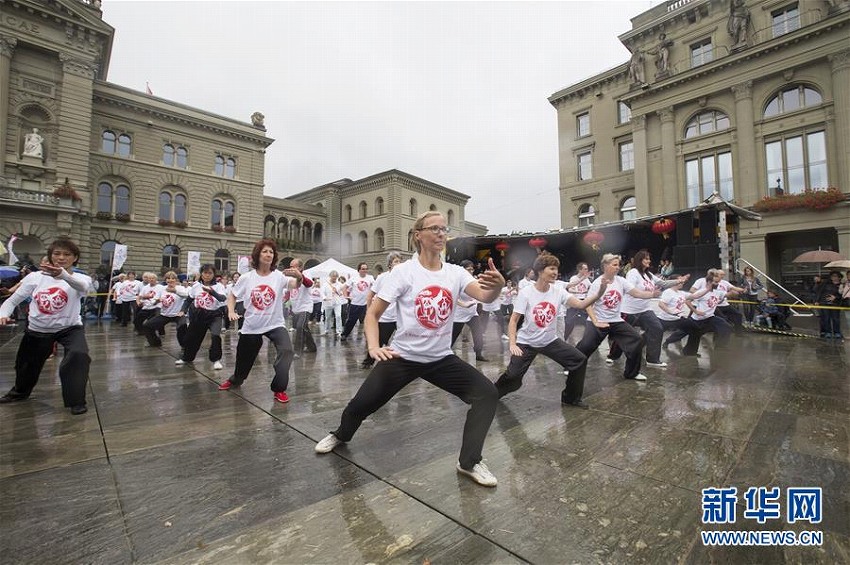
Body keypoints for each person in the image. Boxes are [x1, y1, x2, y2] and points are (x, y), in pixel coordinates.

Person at [315, 211, 506, 487]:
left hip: (440, 358)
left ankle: (469, 462)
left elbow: (484, 295)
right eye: (434, 228)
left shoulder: (456, 273)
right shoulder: (403, 273)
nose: (441, 233)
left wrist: (497, 288)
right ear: (418, 235)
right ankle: (341, 435)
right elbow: (372, 314)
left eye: (444, 229)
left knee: (487, 394)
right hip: (402, 356)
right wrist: (373, 346)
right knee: (361, 405)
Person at [495, 252, 607, 407]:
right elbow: (513, 320)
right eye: (551, 269)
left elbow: (581, 305)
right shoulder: (526, 293)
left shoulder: (558, 291)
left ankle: (570, 398)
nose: (555, 272)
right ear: (540, 271)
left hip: (549, 341)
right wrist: (513, 344)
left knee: (579, 361)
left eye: (556, 269)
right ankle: (493, 394)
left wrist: (599, 293)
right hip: (526, 342)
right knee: (513, 378)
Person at [0, 237, 92, 415]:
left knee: (79, 355)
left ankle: (76, 401)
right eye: (57, 253)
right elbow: (12, 301)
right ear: (50, 256)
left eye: (67, 254)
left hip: (70, 329)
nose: (61, 258)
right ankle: (19, 392)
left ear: (75, 258)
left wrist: (62, 275)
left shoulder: (81, 278)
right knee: (26, 365)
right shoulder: (35, 278)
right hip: (38, 330)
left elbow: (82, 287)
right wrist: (3, 314)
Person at [219, 239, 307, 403]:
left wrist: (299, 277)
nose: (268, 254)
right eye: (265, 251)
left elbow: (295, 284)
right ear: (257, 254)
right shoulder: (247, 278)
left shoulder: (279, 276)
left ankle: (279, 388)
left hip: (275, 324)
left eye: (271, 252)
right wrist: (230, 311)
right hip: (252, 325)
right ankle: (236, 380)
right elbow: (232, 295)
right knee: (244, 359)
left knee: (287, 351)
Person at [576, 254, 661, 382]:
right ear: (605, 266)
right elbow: (588, 305)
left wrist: (651, 294)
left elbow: (636, 293)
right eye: (614, 265)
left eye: (618, 265)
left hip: (616, 320)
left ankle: (631, 373)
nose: (617, 267)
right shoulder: (597, 283)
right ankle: (572, 365)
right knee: (586, 345)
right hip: (598, 320)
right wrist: (596, 321)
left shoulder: (621, 281)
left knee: (636, 340)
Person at [607, 251, 689, 369]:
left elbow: (663, 283)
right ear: (639, 260)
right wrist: (651, 294)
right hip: (629, 310)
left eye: (649, 259)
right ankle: (613, 355)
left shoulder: (648, 274)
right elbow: (631, 290)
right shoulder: (633, 273)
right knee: (623, 335)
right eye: (646, 259)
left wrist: (678, 281)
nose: (649, 261)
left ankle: (653, 359)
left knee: (657, 328)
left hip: (645, 309)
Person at [176, 264, 227, 370]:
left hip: (214, 315)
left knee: (215, 336)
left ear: (214, 274)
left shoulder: (219, 286)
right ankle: (187, 358)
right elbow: (189, 300)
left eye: (210, 273)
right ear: (201, 274)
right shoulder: (196, 286)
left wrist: (212, 292)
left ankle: (216, 360)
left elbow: (222, 298)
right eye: (205, 273)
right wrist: (182, 310)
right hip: (198, 315)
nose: (207, 275)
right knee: (193, 338)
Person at [361, 252, 403, 369]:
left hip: (400, 317)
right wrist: (369, 314)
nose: (398, 264)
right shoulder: (382, 277)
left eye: (400, 261)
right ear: (390, 264)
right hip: (385, 317)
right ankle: (368, 362)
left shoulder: (404, 278)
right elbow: (370, 296)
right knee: (379, 342)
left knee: (406, 341)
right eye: (395, 261)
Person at [451, 260, 487, 362]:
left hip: (472, 313)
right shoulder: (457, 281)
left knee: (478, 333)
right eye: (468, 269)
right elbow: (453, 298)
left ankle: (478, 354)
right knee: (452, 337)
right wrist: (464, 304)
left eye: (472, 269)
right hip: (459, 314)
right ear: (463, 270)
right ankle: (442, 356)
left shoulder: (473, 280)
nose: (471, 271)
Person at [142, 271, 188, 348]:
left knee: (182, 326)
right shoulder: (162, 289)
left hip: (178, 314)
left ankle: (184, 345)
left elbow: (186, 296)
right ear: (165, 280)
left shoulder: (180, 288)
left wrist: (175, 291)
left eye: (173, 278)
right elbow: (154, 301)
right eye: (168, 278)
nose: (170, 280)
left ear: (176, 280)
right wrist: (156, 301)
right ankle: (155, 343)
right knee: (147, 326)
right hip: (165, 314)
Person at [288, 258, 317, 357]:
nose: (291, 268)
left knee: (300, 327)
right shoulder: (289, 278)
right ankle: (312, 347)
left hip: (305, 307)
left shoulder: (306, 274)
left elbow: (309, 283)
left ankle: (297, 351)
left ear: (300, 268)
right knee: (303, 328)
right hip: (296, 307)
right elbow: (288, 291)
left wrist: (300, 276)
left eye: (293, 267)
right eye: (290, 266)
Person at [340, 263, 374, 341]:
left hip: (366, 304)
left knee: (368, 321)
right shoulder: (354, 278)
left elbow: (375, 287)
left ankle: (369, 336)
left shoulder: (370, 278)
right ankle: (344, 334)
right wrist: (346, 297)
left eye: (366, 269)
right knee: (351, 320)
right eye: (363, 269)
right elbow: (344, 287)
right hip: (355, 303)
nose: (364, 270)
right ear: (359, 270)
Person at [562, 262, 592, 342]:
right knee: (569, 322)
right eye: (585, 269)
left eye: (587, 269)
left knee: (589, 320)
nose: (587, 270)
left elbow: (591, 287)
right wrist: (579, 292)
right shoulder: (574, 278)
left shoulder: (587, 279)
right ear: (580, 269)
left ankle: (589, 340)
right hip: (575, 301)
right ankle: (563, 339)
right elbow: (570, 289)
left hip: (584, 301)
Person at [814, 271, 843, 338]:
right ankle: (828, 332)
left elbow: (842, 295)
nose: (834, 278)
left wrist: (835, 297)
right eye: (833, 276)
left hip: (835, 304)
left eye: (836, 276)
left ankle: (837, 332)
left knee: (836, 318)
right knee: (826, 318)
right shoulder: (825, 283)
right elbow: (818, 291)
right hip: (824, 303)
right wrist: (817, 300)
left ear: (839, 277)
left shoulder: (841, 285)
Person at [321, 270, 345, 337]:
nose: (334, 278)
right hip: (328, 303)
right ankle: (326, 330)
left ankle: (339, 331)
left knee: (338, 316)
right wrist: (324, 297)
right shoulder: (325, 284)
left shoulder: (339, 284)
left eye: (336, 276)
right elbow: (322, 292)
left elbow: (342, 292)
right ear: (330, 276)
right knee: (327, 317)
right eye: (333, 276)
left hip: (337, 302)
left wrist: (339, 292)